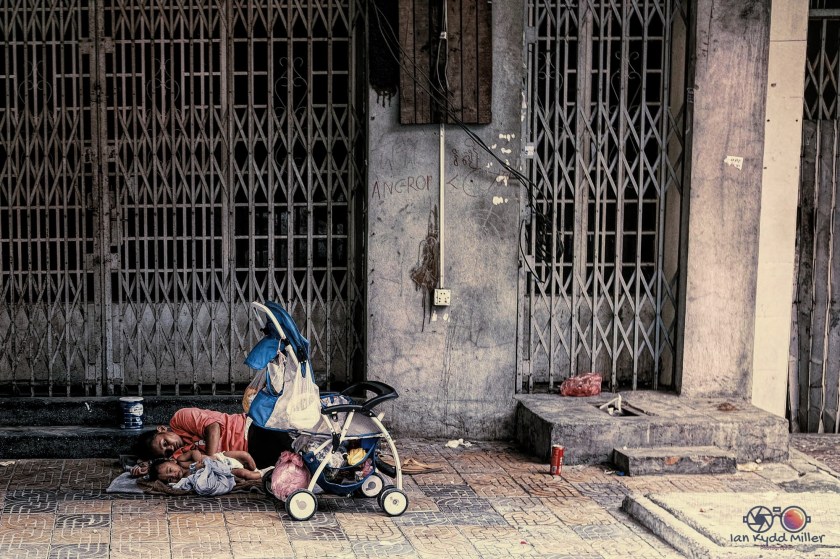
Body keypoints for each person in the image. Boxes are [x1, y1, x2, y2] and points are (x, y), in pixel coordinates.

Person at [132, 407, 294, 475]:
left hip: (248, 431)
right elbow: (166, 469)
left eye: (165, 442)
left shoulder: (180, 418)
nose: (170, 447)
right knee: (290, 462)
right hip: (248, 457)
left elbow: (213, 426)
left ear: (162, 429)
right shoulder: (178, 455)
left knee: (291, 445)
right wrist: (145, 469)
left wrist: (210, 459)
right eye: (166, 451)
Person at [150, 448, 263, 484]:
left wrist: (198, 461)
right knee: (243, 473)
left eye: (170, 470)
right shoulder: (185, 479)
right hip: (222, 470)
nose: (173, 475)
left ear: (171, 461)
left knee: (244, 455)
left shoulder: (181, 460)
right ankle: (263, 474)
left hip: (220, 458)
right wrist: (200, 469)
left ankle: (255, 469)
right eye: (170, 479)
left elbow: (194, 452)